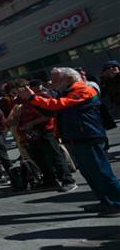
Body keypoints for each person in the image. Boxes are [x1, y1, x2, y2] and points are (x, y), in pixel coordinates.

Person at [15, 67, 120, 215]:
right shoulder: (66, 91)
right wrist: (32, 99)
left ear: (69, 79)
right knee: (89, 172)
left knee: (101, 172)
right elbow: (51, 109)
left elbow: (59, 104)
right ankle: (105, 201)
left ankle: (116, 202)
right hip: (76, 137)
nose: (51, 82)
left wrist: (33, 98)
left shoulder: (84, 90)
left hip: (88, 136)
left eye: (56, 78)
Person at [10, 78, 77, 192]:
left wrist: (31, 123)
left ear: (25, 89)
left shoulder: (40, 97)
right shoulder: (20, 102)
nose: (16, 95)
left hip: (45, 131)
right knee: (39, 158)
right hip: (30, 134)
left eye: (18, 92)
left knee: (55, 156)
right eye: (14, 93)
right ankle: (49, 180)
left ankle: (68, 180)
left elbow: (49, 114)